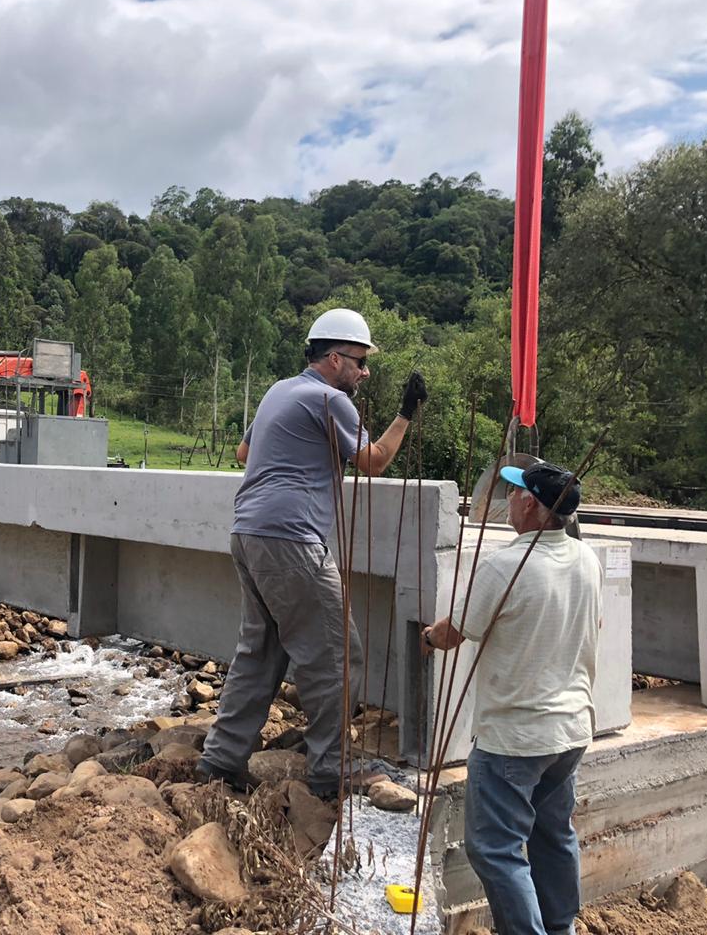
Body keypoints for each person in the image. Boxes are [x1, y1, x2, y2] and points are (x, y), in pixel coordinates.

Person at [197, 307, 428, 800]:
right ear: (332, 358)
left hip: (249, 531)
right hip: (293, 539)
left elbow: (244, 455)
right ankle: (329, 769)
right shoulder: (330, 399)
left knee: (259, 653)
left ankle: (220, 762)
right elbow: (375, 461)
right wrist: (406, 414)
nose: (364, 372)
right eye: (359, 362)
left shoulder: (280, 390)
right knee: (337, 654)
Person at [419, 460, 602, 935]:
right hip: (571, 730)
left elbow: (456, 632)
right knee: (552, 834)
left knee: (494, 849)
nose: (511, 500)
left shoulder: (506, 564)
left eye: (518, 494)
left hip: (514, 738)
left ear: (533, 506)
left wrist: (426, 637)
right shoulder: (585, 558)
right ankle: (560, 927)